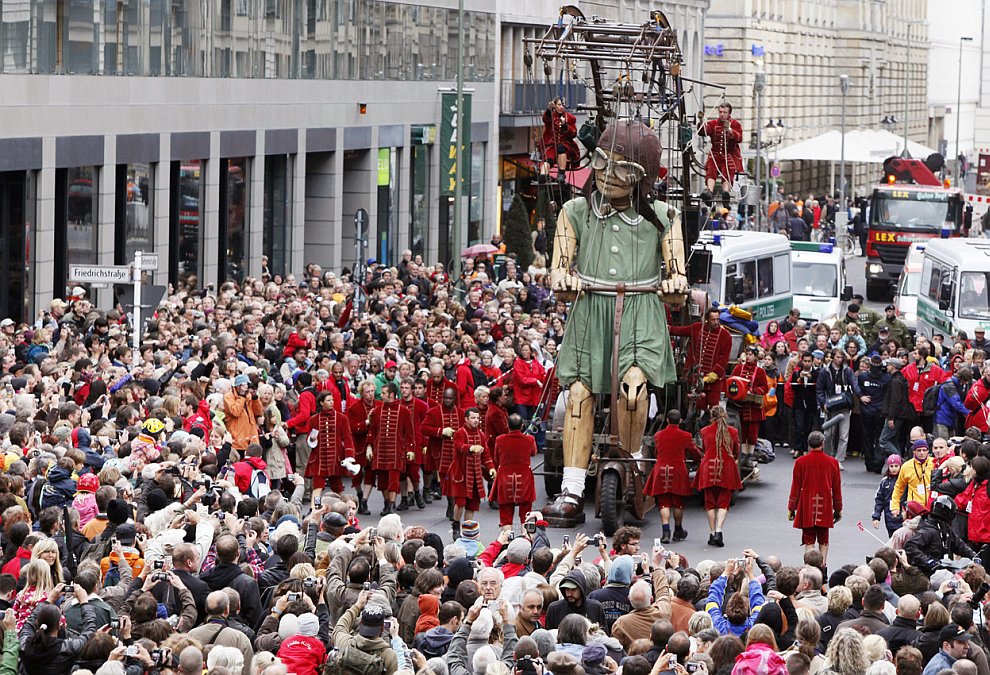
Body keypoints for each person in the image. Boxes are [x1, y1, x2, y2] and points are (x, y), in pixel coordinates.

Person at [545, 119, 688, 526]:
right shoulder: (574, 212)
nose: (608, 175)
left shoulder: (664, 216)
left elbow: (677, 268)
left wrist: (675, 279)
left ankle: (631, 466)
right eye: (604, 162)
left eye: (623, 169)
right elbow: (559, 267)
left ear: (643, 177)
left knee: (633, 390)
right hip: (590, 309)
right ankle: (571, 490)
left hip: (641, 308)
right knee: (578, 397)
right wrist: (564, 277)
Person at [645, 409, 701, 543]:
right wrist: (699, 458)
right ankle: (678, 530)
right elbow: (694, 451)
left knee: (664, 504)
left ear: (667, 420)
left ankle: (665, 533)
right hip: (678, 471)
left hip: (661, 469)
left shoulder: (658, 435)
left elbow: (657, 452)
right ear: (680, 421)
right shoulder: (685, 436)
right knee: (678, 503)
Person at [788, 431, 842, 566]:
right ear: (823, 444)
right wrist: (838, 508)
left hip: (807, 505)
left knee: (808, 540)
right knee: (824, 539)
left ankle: (809, 568)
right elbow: (836, 488)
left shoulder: (800, 462)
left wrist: (791, 507)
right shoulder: (832, 462)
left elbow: (795, 487)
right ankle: (823, 567)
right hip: (825, 505)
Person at [692, 405, 742, 547]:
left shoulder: (705, 431)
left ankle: (712, 532)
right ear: (725, 415)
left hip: (708, 469)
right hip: (726, 468)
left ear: (711, 417)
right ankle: (719, 531)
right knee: (723, 503)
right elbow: (736, 450)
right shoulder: (732, 432)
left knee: (710, 503)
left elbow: (702, 449)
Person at [669, 308, 733, 414]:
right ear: (707, 319)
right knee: (699, 407)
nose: (716, 322)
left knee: (714, 409)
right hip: (697, 378)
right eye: (713, 320)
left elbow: (724, 359)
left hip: (714, 381)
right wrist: (667, 328)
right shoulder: (697, 328)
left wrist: (715, 373)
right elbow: (680, 330)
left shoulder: (726, 336)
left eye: (718, 319)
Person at [367, 382, 416, 516]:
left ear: (392, 395)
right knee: (382, 480)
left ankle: (393, 505)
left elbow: (409, 433)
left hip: (396, 451)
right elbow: (372, 431)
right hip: (380, 450)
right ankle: (387, 502)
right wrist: (369, 447)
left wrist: (410, 449)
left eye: (383, 393)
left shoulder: (404, 411)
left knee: (394, 479)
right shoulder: (377, 411)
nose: (381, 396)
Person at [305, 390, 358, 507]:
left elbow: (347, 438)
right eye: (329, 400)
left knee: (337, 488)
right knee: (317, 487)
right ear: (321, 402)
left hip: (336, 458)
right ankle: (315, 508)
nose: (332, 402)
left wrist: (349, 456)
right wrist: (312, 439)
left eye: (332, 400)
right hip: (319, 458)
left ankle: (343, 508)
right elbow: (310, 440)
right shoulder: (314, 419)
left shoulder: (341, 418)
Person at [448, 408, 493, 535]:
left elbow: (486, 455)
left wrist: (491, 468)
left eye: (477, 418)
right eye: (473, 418)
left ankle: (466, 530)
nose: (476, 421)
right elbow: (458, 446)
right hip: (461, 474)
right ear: (466, 419)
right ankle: (456, 525)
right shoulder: (460, 433)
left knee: (472, 505)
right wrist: (471, 448)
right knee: (460, 502)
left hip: (475, 475)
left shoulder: (481, 435)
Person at [815, 350, 862, 470]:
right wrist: (823, 403)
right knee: (829, 434)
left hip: (844, 405)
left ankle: (839, 459)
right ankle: (826, 457)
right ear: (832, 357)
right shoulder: (825, 371)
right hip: (831, 406)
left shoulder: (847, 371)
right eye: (837, 357)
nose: (839, 359)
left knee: (843, 435)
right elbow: (819, 389)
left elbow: (854, 384)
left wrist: (860, 395)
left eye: (841, 357)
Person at [491, 414, 537, 531]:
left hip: (505, 479)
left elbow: (496, 458)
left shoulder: (500, 440)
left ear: (507, 425)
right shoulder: (529, 439)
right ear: (522, 426)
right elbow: (534, 453)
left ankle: (507, 543)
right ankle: (525, 542)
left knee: (505, 516)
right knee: (526, 514)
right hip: (524, 479)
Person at [698, 103, 743, 206]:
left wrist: (729, 130)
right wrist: (701, 120)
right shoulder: (713, 123)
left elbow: (739, 138)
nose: (722, 114)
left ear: (729, 113)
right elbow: (703, 131)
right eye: (720, 112)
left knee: (727, 170)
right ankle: (709, 191)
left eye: (725, 112)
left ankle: (725, 192)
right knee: (711, 170)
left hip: (729, 155)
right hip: (715, 154)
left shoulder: (735, 124)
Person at [879, 358, 916, 457]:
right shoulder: (900, 379)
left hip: (896, 415)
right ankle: (899, 460)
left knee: (883, 440)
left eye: (888, 365)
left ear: (893, 366)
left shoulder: (895, 381)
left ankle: (897, 459)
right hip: (900, 414)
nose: (887, 367)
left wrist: (891, 417)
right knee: (894, 440)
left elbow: (895, 400)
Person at [890, 440, 933, 518]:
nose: (922, 453)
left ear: (928, 451)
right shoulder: (906, 466)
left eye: (924, 450)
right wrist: (895, 506)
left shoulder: (934, 463)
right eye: (919, 450)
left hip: (931, 506)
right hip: (913, 508)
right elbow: (898, 487)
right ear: (914, 451)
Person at [539, 97, 579, 175]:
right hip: (552, 145)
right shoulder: (551, 116)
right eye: (559, 105)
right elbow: (545, 119)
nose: (561, 107)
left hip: (565, 146)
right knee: (548, 160)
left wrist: (565, 126)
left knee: (561, 148)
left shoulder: (570, 118)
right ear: (555, 106)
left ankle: (561, 173)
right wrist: (549, 109)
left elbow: (573, 133)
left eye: (563, 105)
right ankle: (543, 175)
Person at [872, 454, 905, 537]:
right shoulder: (885, 482)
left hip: (904, 516)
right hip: (890, 516)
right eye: (891, 466)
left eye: (896, 466)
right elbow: (879, 500)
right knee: (893, 538)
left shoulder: (905, 480)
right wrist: (876, 517)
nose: (894, 469)